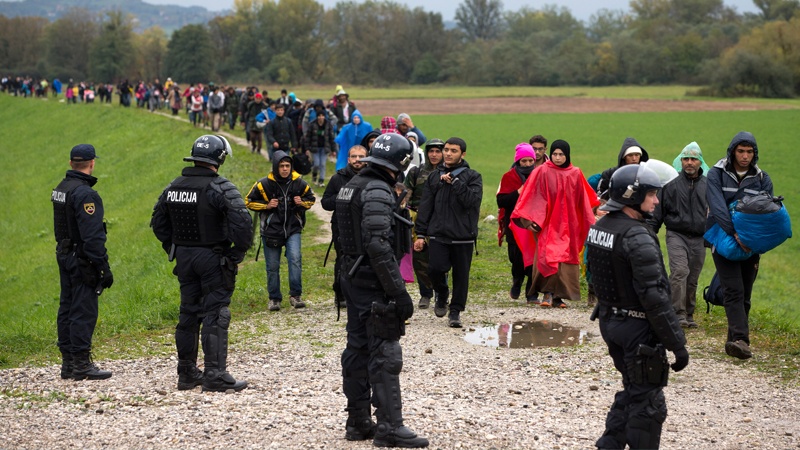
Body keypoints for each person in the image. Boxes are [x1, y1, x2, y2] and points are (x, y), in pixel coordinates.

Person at [585, 163, 689, 449]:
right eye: (652, 194)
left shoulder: (601, 227)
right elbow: (655, 296)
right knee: (649, 404)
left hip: (611, 322)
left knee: (633, 390)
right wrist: (677, 344)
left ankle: (609, 444)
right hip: (636, 329)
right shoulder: (637, 235)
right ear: (633, 195)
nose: (656, 201)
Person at [335, 133, 429, 448]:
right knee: (386, 352)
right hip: (371, 280)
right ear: (401, 162)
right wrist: (398, 292)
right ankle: (389, 427)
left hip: (352, 275)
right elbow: (377, 244)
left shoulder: (353, 184)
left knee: (358, 348)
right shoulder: (376, 189)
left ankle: (358, 421)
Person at [151, 135, 253, 392]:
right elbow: (243, 223)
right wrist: (236, 253)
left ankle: (186, 374)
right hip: (212, 258)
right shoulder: (220, 187)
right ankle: (215, 375)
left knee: (188, 314)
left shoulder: (173, 187)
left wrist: (174, 247)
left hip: (184, 258)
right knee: (215, 313)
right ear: (219, 158)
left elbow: (158, 222)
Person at [706, 131, 773, 360]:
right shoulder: (716, 174)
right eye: (741, 151)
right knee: (733, 289)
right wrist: (734, 233)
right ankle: (742, 340)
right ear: (733, 151)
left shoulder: (762, 178)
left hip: (751, 244)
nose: (745, 156)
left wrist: (753, 240)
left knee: (745, 293)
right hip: (722, 238)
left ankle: (733, 339)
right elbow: (717, 207)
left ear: (754, 153)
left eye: (749, 151)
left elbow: (768, 212)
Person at [511, 140, 598, 308]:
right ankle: (547, 293)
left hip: (569, 225)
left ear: (567, 155)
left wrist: (590, 218)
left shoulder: (575, 173)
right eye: (555, 154)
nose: (558, 158)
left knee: (565, 259)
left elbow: (584, 199)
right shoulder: (542, 171)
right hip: (548, 224)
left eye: (561, 154)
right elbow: (531, 195)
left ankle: (559, 296)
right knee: (547, 256)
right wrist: (531, 220)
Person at [52, 144, 114, 381]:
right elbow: (93, 236)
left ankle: (68, 363)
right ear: (92, 163)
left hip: (64, 253)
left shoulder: (61, 188)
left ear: (71, 164)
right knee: (83, 309)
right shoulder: (86, 194)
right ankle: (80, 363)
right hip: (82, 259)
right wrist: (102, 267)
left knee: (66, 306)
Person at [414, 137, 482, 328]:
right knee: (435, 269)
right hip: (438, 234)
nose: (448, 154)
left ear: (463, 154)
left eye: (453, 151)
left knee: (461, 277)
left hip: (463, 236)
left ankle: (455, 312)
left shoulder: (473, 176)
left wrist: (455, 182)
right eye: (446, 150)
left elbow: (472, 201)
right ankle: (441, 294)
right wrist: (420, 233)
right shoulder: (435, 177)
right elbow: (426, 206)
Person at [648, 142, 709, 328]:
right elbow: (657, 212)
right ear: (680, 161)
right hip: (676, 234)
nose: (689, 162)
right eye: (686, 159)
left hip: (699, 237)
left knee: (693, 278)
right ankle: (677, 314)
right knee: (679, 272)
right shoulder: (670, 185)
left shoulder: (708, 186)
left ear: (700, 162)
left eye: (693, 159)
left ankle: (689, 314)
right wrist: (649, 234)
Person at [245, 151, 315, 312]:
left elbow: (311, 199)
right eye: (281, 166)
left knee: (295, 259)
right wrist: (266, 206)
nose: (285, 169)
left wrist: (301, 203)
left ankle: (295, 295)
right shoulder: (263, 184)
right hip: (271, 230)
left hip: (293, 229)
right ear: (275, 167)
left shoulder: (299, 183)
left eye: (287, 166)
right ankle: (274, 298)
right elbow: (248, 201)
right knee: (272, 266)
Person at [321, 145, 368, 310]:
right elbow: (325, 203)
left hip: (365, 225)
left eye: (360, 157)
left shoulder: (372, 178)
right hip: (342, 226)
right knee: (343, 259)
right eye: (354, 157)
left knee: (365, 260)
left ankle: (361, 294)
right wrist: (343, 196)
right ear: (348, 159)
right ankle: (340, 294)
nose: (357, 160)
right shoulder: (338, 178)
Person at [404, 138, 444, 309]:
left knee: (440, 260)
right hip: (419, 221)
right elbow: (405, 197)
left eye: (438, 151)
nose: (434, 155)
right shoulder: (416, 172)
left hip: (441, 223)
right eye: (431, 151)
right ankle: (425, 294)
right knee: (420, 259)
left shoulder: (448, 173)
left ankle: (441, 294)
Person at [497, 143, 537, 303]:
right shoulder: (509, 177)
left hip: (534, 224)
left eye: (530, 161)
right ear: (518, 161)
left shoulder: (539, 175)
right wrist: (518, 192)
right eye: (524, 161)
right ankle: (517, 280)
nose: (527, 165)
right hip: (514, 225)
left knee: (534, 260)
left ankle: (531, 292)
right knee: (516, 258)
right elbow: (501, 201)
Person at [304, 106, 335, 187]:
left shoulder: (328, 125)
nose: (321, 117)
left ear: (324, 116)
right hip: (315, 148)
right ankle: (314, 176)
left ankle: (321, 181)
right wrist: (307, 148)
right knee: (316, 164)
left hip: (325, 148)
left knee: (323, 164)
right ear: (317, 117)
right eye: (319, 116)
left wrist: (333, 150)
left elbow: (331, 138)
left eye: (322, 116)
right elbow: (308, 138)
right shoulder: (312, 125)